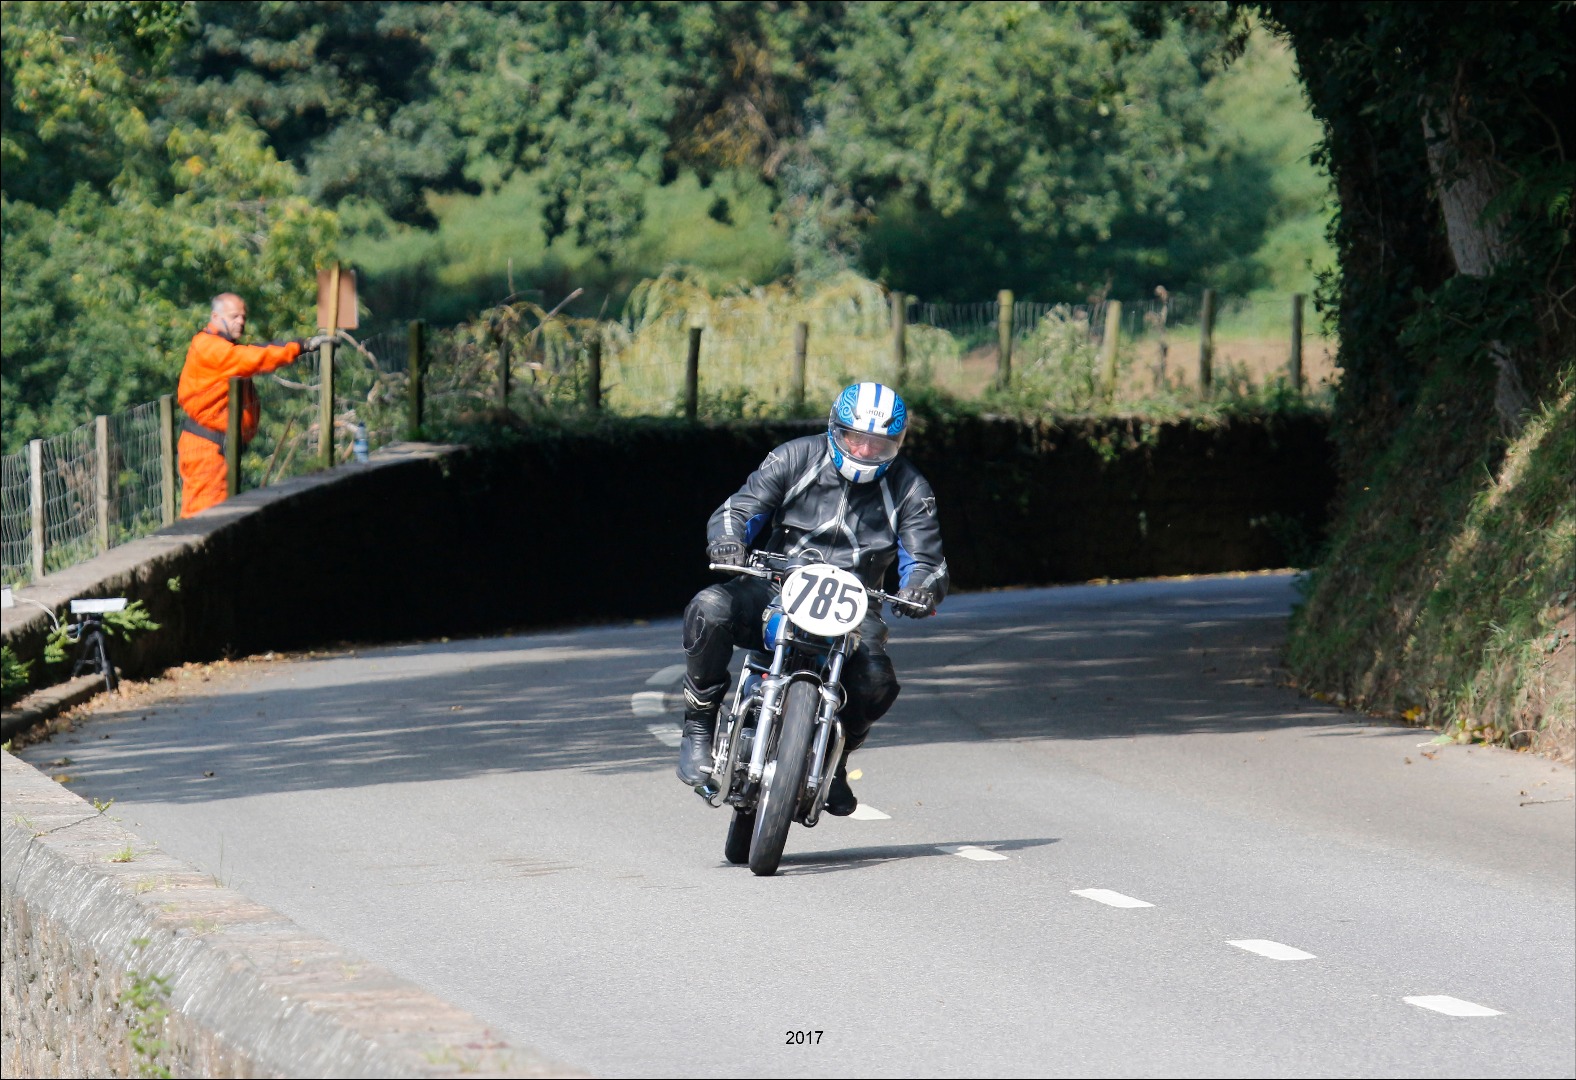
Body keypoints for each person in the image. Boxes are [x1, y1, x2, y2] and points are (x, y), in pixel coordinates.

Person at [677, 381, 948, 815]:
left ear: (897, 443)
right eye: (855, 438)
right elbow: (739, 509)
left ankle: (835, 759)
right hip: (775, 583)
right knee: (709, 609)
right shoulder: (794, 456)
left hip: (857, 605)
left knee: (877, 682)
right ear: (835, 429)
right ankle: (698, 726)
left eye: (878, 444)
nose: (864, 451)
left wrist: (920, 586)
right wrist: (728, 541)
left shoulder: (911, 488)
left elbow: (927, 560)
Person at [177, 293, 328, 517]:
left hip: (216, 446)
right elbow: (254, 357)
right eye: (234, 316)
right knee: (205, 517)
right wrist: (299, 346)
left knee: (216, 516)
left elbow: (255, 351)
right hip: (208, 448)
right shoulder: (211, 347)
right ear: (215, 317)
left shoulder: (219, 346)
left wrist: (298, 346)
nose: (241, 321)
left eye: (243, 317)